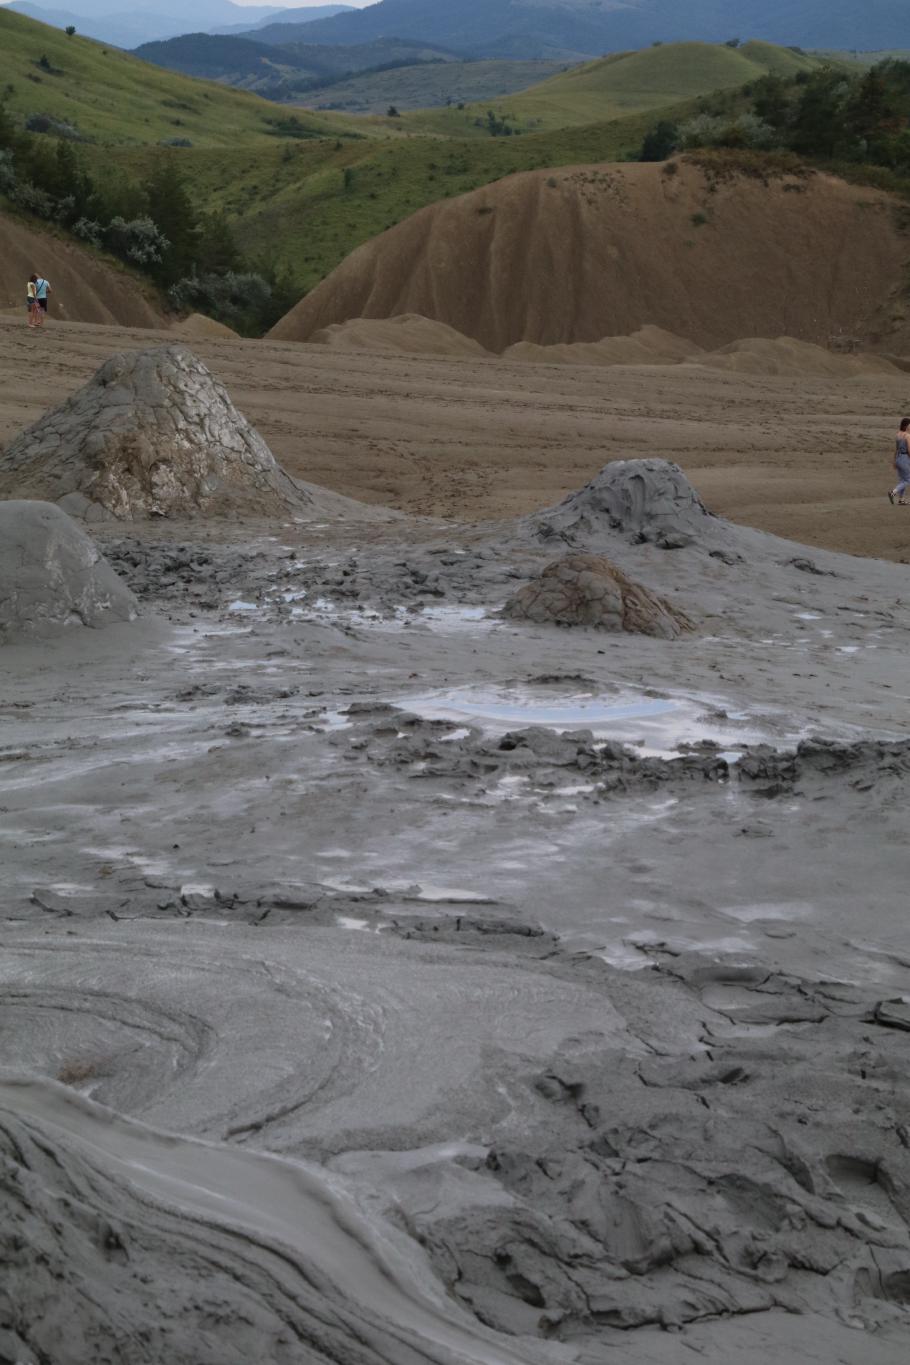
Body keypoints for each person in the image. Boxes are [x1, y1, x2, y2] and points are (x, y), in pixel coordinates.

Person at [888, 417, 910, 505]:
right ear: (906, 425)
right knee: (908, 480)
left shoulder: (898, 434)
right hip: (904, 458)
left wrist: (894, 461)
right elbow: (909, 450)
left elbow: (896, 449)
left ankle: (901, 500)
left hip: (898, 458)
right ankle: (893, 493)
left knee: (902, 479)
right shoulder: (907, 436)